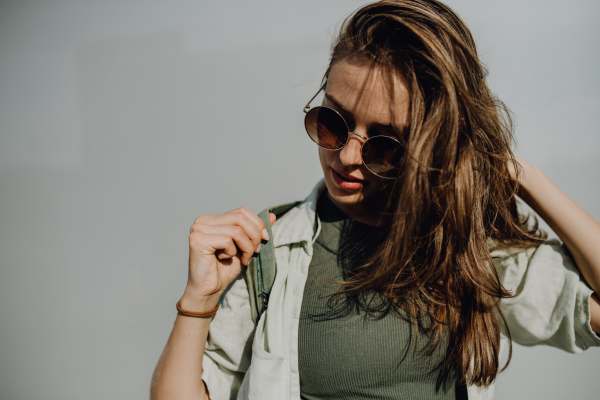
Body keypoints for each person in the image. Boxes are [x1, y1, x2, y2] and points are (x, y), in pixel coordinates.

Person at [150, 1, 600, 399]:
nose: (346, 157)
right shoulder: (269, 254)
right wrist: (199, 297)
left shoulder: (468, 253)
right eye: (332, 122)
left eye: (385, 144)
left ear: (430, 144)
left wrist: (523, 176)